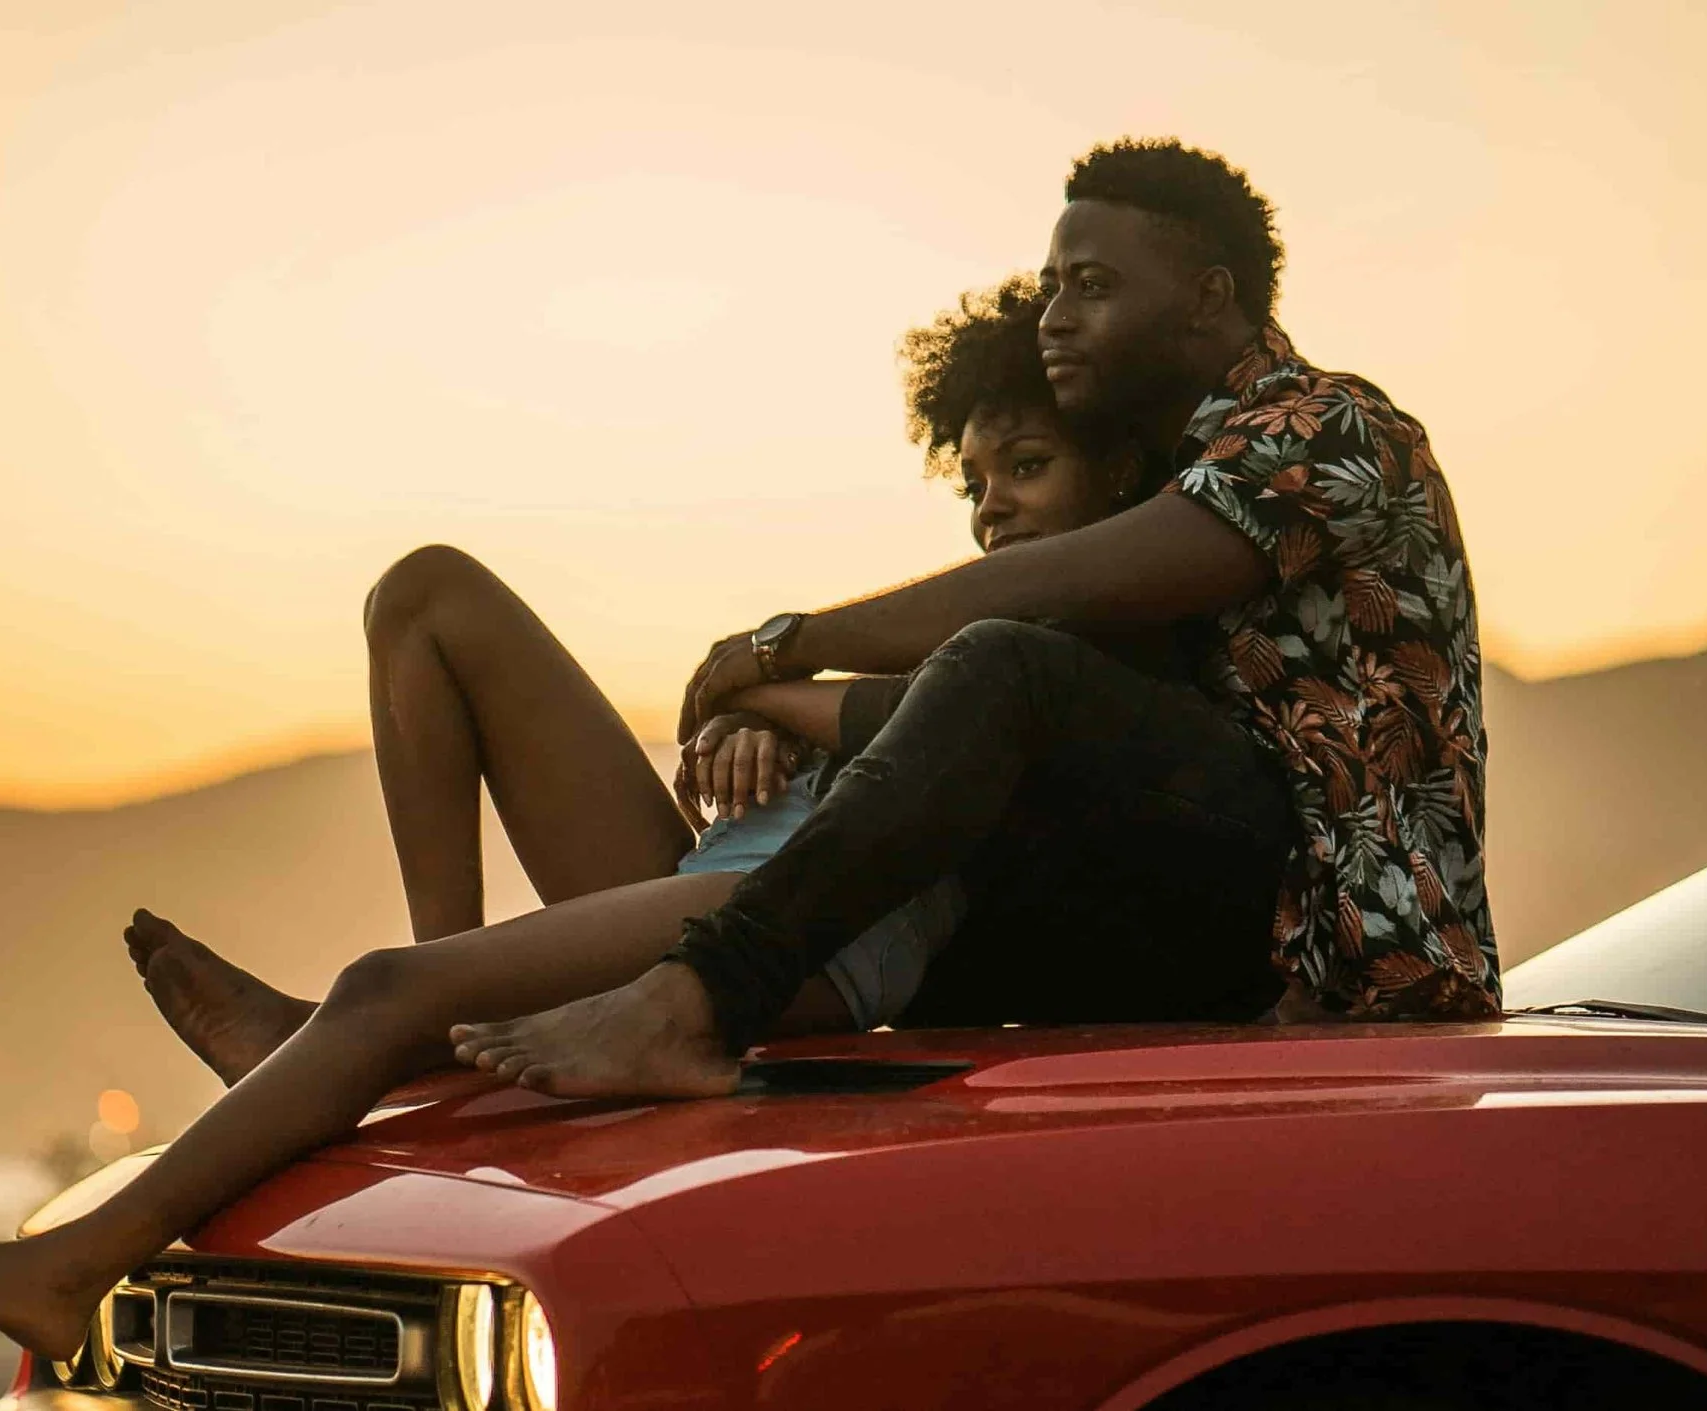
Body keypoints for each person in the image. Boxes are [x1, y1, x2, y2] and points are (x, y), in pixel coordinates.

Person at [0, 273, 1148, 1360]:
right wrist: (768, 723)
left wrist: (788, 701)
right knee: (427, 595)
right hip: (713, 871)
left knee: (387, 982)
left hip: (795, 938)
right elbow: (864, 720)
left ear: (1118, 481)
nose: (994, 507)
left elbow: (967, 738)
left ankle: (82, 1256)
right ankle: (409, 1033)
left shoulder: (1083, 652)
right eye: (977, 480)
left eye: (1028, 466)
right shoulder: (957, 637)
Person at [451, 137, 1500, 1102]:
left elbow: (1035, 604)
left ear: (1204, 297)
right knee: (936, 861)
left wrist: (788, 649)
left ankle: (689, 999)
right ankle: (516, 1016)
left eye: (1091, 286)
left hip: (1362, 956)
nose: (1053, 315)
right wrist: (784, 712)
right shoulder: (1156, 465)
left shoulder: (1327, 427)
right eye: (1050, 287)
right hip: (1187, 911)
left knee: (1005, 665)